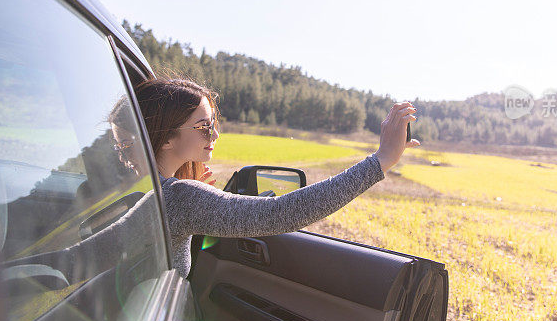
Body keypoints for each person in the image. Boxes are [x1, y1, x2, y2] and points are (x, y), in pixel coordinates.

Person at [123, 77, 420, 278]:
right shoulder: (178, 197)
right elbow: (280, 213)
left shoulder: (132, 189)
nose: (214, 134)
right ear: (165, 139)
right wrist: (381, 160)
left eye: (213, 124)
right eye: (202, 127)